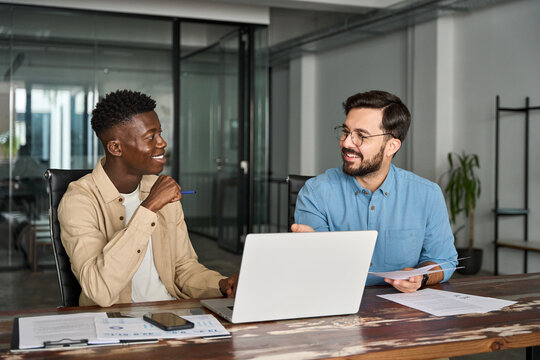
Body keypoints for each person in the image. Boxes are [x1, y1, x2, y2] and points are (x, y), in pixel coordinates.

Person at [58, 90, 237, 307]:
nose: (162, 143)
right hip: (115, 324)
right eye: (150, 137)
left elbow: (183, 268)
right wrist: (149, 207)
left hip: (171, 317)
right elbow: (99, 291)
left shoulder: (159, 188)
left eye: (160, 133)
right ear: (115, 147)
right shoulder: (79, 200)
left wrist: (220, 284)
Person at [292, 90, 457, 293]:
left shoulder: (427, 194)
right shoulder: (315, 192)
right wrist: (310, 252)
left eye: (361, 136)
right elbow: (314, 269)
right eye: (345, 131)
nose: (346, 142)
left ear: (391, 146)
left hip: (402, 311)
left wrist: (421, 276)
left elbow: (443, 260)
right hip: (335, 299)